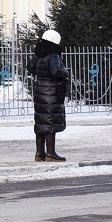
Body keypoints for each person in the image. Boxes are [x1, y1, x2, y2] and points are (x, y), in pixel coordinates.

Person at [27, 28, 71, 162]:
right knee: (50, 122)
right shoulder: (52, 54)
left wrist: (40, 75)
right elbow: (55, 70)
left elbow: (30, 67)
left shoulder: (39, 53)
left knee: (41, 122)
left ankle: (39, 153)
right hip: (51, 92)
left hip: (39, 91)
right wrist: (66, 72)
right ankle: (51, 153)